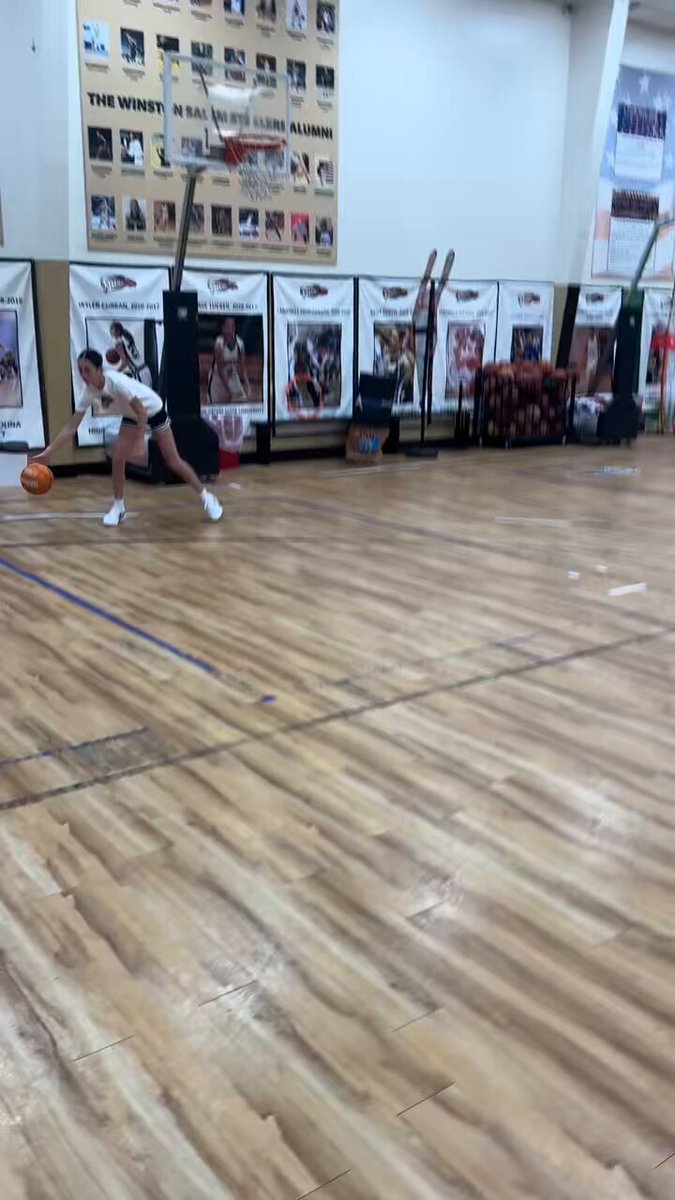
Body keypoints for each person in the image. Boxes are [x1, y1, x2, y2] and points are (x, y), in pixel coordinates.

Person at [32, 349, 223, 527]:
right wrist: (49, 451)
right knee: (117, 458)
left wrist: (139, 443)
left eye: (87, 370)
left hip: (153, 411)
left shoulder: (116, 383)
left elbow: (142, 411)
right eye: (80, 370)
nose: (83, 374)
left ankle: (206, 497)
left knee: (174, 461)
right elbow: (71, 427)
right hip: (132, 415)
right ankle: (118, 507)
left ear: (99, 369)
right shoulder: (89, 392)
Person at [208, 318, 251, 405]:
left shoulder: (240, 344)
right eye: (228, 326)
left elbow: (243, 367)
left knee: (243, 402)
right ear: (223, 329)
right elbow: (220, 370)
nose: (230, 329)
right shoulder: (219, 344)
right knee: (217, 408)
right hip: (218, 379)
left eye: (232, 326)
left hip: (232, 377)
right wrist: (229, 391)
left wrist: (247, 385)